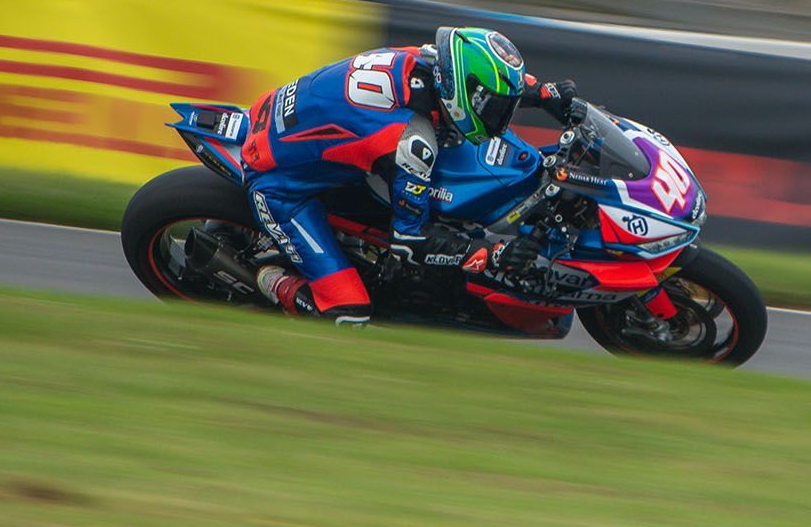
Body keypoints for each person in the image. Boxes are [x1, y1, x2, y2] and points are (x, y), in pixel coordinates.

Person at [239, 26, 579, 325]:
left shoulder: (432, 61)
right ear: (461, 92)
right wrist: (492, 254)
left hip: (281, 117)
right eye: (492, 107)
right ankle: (267, 277)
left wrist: (544, 94)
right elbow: (410, 241)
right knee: (348, 313)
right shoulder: (411, 143)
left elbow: (490, 81)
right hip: (278, 185)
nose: (499, 119)